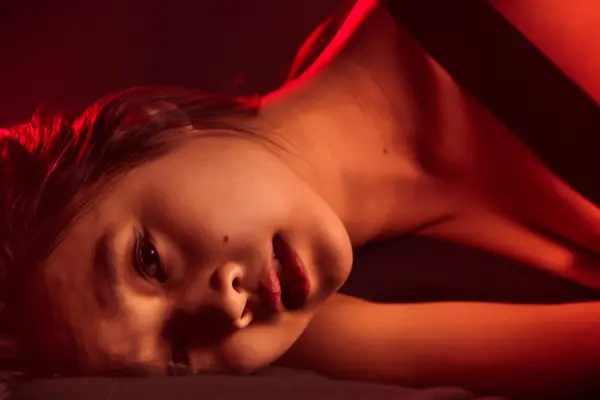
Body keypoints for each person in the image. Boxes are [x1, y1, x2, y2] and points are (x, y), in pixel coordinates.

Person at [1, 0, 600, 398]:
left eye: (148, 260)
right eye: (178, 356)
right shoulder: (338, 330)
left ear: (147, 124)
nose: (226, 312)